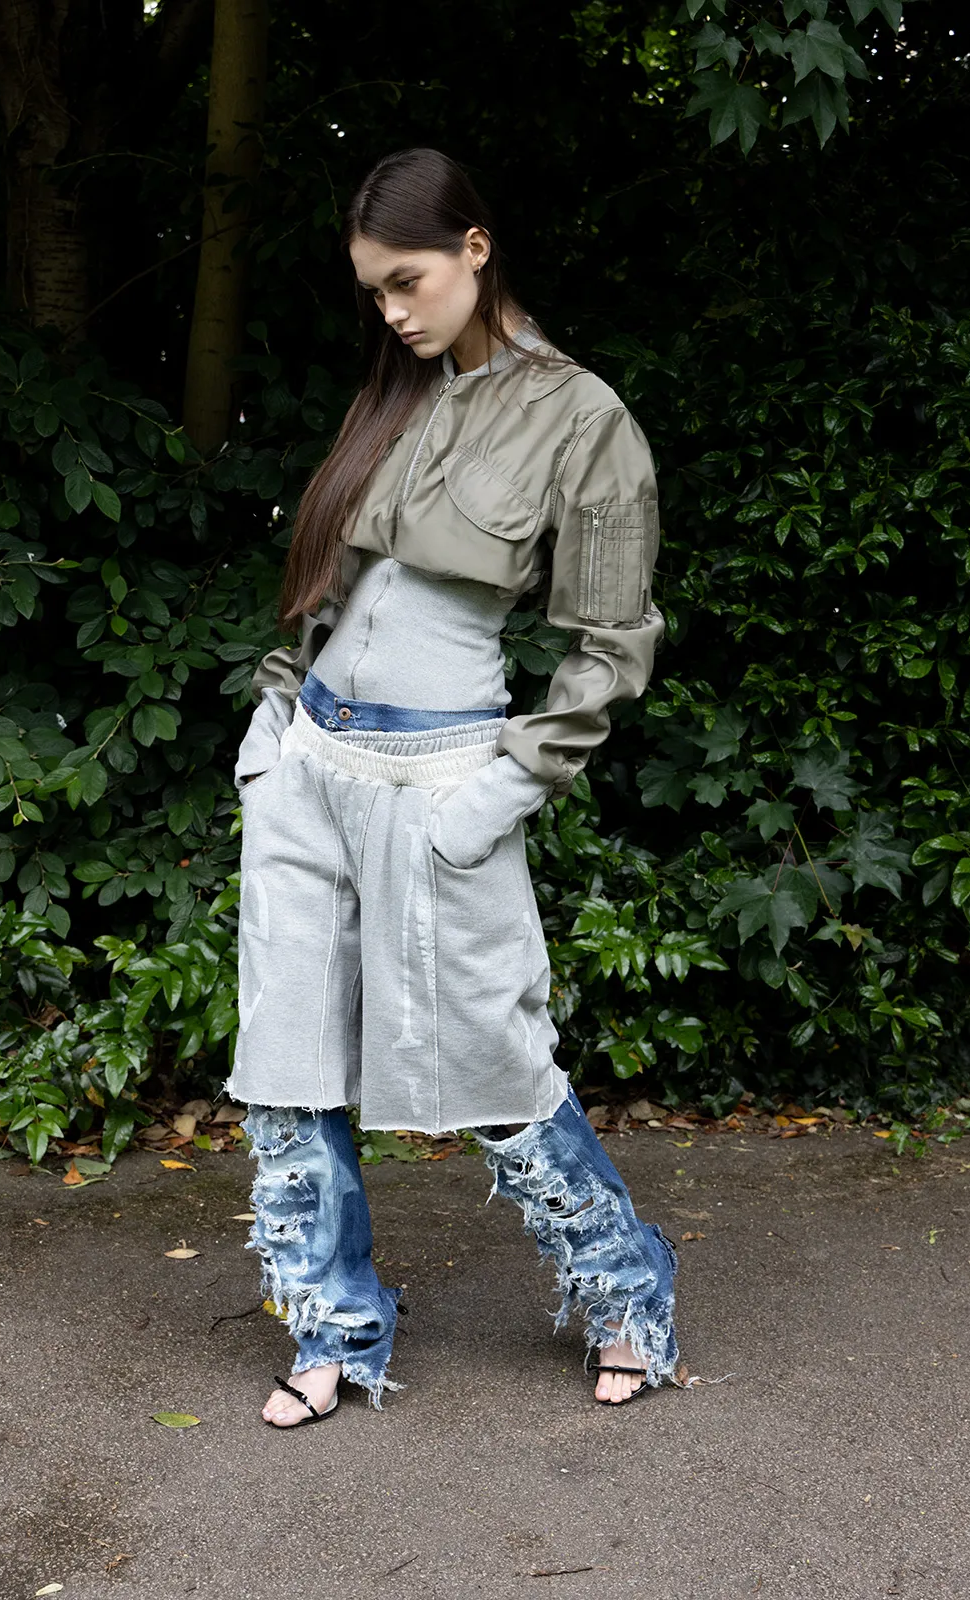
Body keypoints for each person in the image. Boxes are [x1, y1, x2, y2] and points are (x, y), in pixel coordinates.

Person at [226, 147, 683, 1429]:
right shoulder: (397, 396)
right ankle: (331, 1325)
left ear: (474, 248)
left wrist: (499, 789)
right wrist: (272, 732)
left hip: (439, 782)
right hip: (309, 766)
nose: (390, 311)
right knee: (287, 1064)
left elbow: (610, 645)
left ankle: (627, 1289)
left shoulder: (581, 417)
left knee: (495, 1061)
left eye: (407, 281)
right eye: (373, 290)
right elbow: (329, 591)